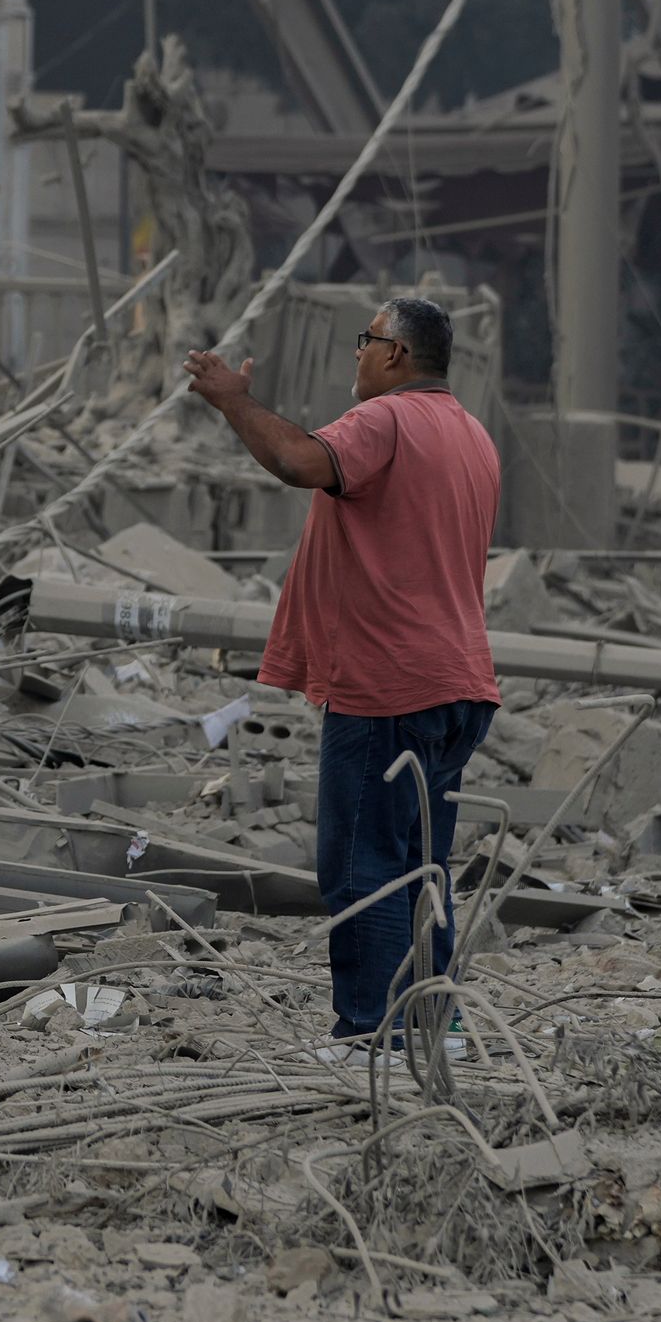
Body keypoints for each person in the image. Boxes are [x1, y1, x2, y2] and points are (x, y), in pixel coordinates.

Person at [182, 296, 503, 1053]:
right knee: (422, 864)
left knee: (361, 861)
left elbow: (300, 462)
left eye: (366, 341)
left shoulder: (385, 421)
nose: (356, 354)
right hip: (459, 680)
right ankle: (432, 1022)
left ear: (396, 355)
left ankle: (372, 1031)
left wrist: (233, 401)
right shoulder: (472, 434)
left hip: (387, 680)